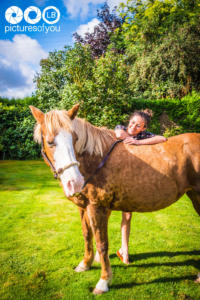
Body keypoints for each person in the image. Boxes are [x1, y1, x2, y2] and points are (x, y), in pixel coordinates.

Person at [115, 109, 167, 264]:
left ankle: (124, 250)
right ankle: (99, 251)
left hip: (129, 179)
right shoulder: (121, 128)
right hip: (112, 177)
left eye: (138, 126)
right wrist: (129, 137)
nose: (133, 127)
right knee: (104, 212)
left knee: (128, 215)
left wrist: (138, 142)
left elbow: (162, 138)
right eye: (132, 122)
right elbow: (119, 134)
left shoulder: (142, 135)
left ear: (144, 128)